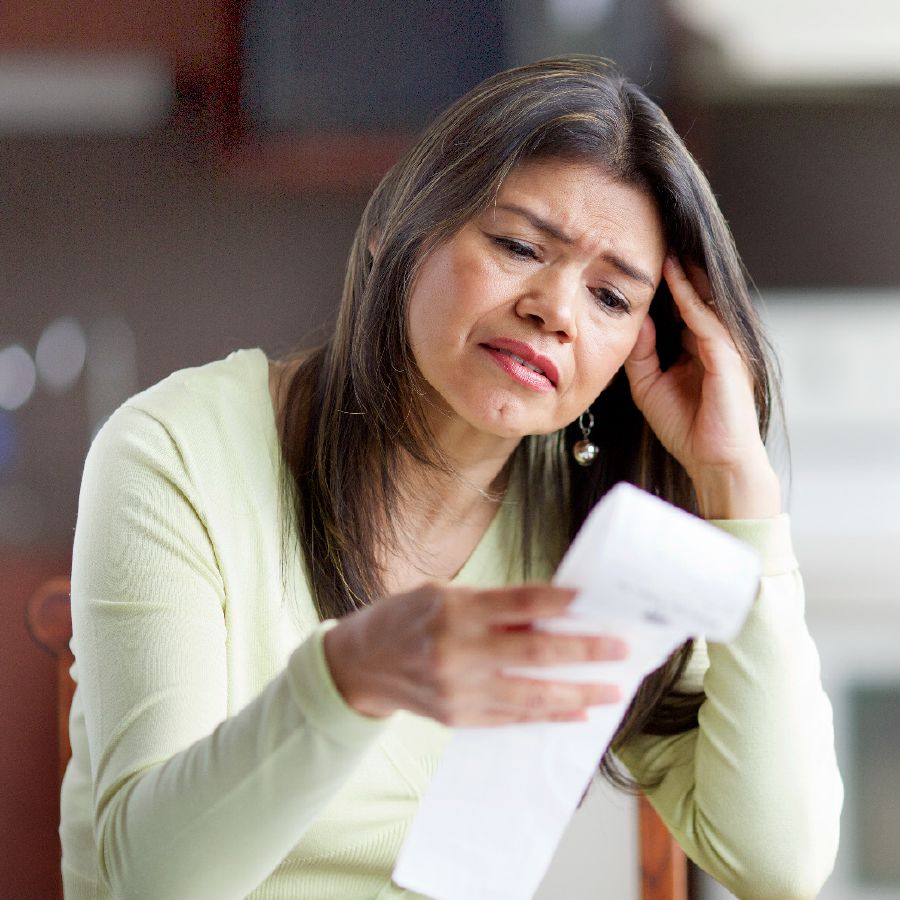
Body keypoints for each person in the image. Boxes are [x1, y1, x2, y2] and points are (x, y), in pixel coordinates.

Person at [60, 56, 842, 899]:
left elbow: (780, 862)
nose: (557, 309)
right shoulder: (175, 453)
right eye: (516, 245)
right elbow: (152, 884)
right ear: (394, 227)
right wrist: (349, 678)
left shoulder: (593, 528)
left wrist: (740, 487)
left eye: (612, 299)